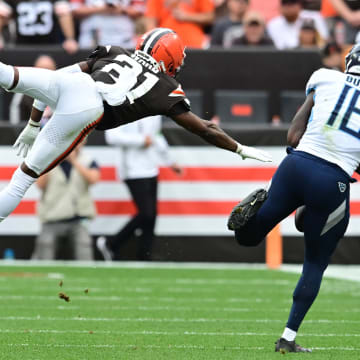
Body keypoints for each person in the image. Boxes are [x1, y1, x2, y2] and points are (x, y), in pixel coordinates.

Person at [0, 28, 272, 227]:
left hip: (73, 87)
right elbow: (204, 128)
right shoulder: (166, 88)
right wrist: (239, 148)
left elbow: (54, 81)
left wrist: (34, 124)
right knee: (21, 180)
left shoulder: (116, 52)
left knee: (6, 74)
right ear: (170, 58)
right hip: (88, 109)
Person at [227, 44, 360, 353]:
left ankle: (249, 220)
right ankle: (287, 337)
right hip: (333, 181)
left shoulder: (325, 78)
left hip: (295, 166)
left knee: (250, 237)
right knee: (314, 262)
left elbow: (292, 137)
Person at [97, 115, 182, 261]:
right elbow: (112, 137)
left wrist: (170, 161)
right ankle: (111, 244)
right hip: (132, 170)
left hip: (151, 169)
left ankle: (144, 258)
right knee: (146, 214)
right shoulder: (122, 106)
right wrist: (141, 140)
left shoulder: (154, 111)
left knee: (151, 218)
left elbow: (157, 136)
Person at [32, 140, 100, 260]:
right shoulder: (48, 160)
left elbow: (94, 179)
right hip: (52, 218)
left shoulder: (88, 160)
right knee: (44, 254)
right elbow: (40, 185)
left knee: (84, 250)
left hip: (78, 218)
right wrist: (52, 161)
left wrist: (74, 161)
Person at [0, 0, 78, 53]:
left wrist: (69, 39)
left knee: (45, 64)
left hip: (50, 47)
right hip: (21, 47)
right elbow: (2, 13)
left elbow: (64, 14)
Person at [71, 0, 145, 49]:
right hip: (92, 39)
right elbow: (74, 9)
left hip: (123, 39)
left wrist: (121, 9)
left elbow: (139, 10)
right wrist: (100, 8)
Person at [145, 0, 214, 48]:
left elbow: (210, 17)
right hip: (166, 45)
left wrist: (187, 16)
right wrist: (153, 43)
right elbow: (151, 21)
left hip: (194, 44)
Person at [9, 55, 56, 125]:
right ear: (35, 70)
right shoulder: (23, 92)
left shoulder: (62, 92)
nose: (46, 73)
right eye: (42, 69)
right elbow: (16, 121)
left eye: (49, 69)